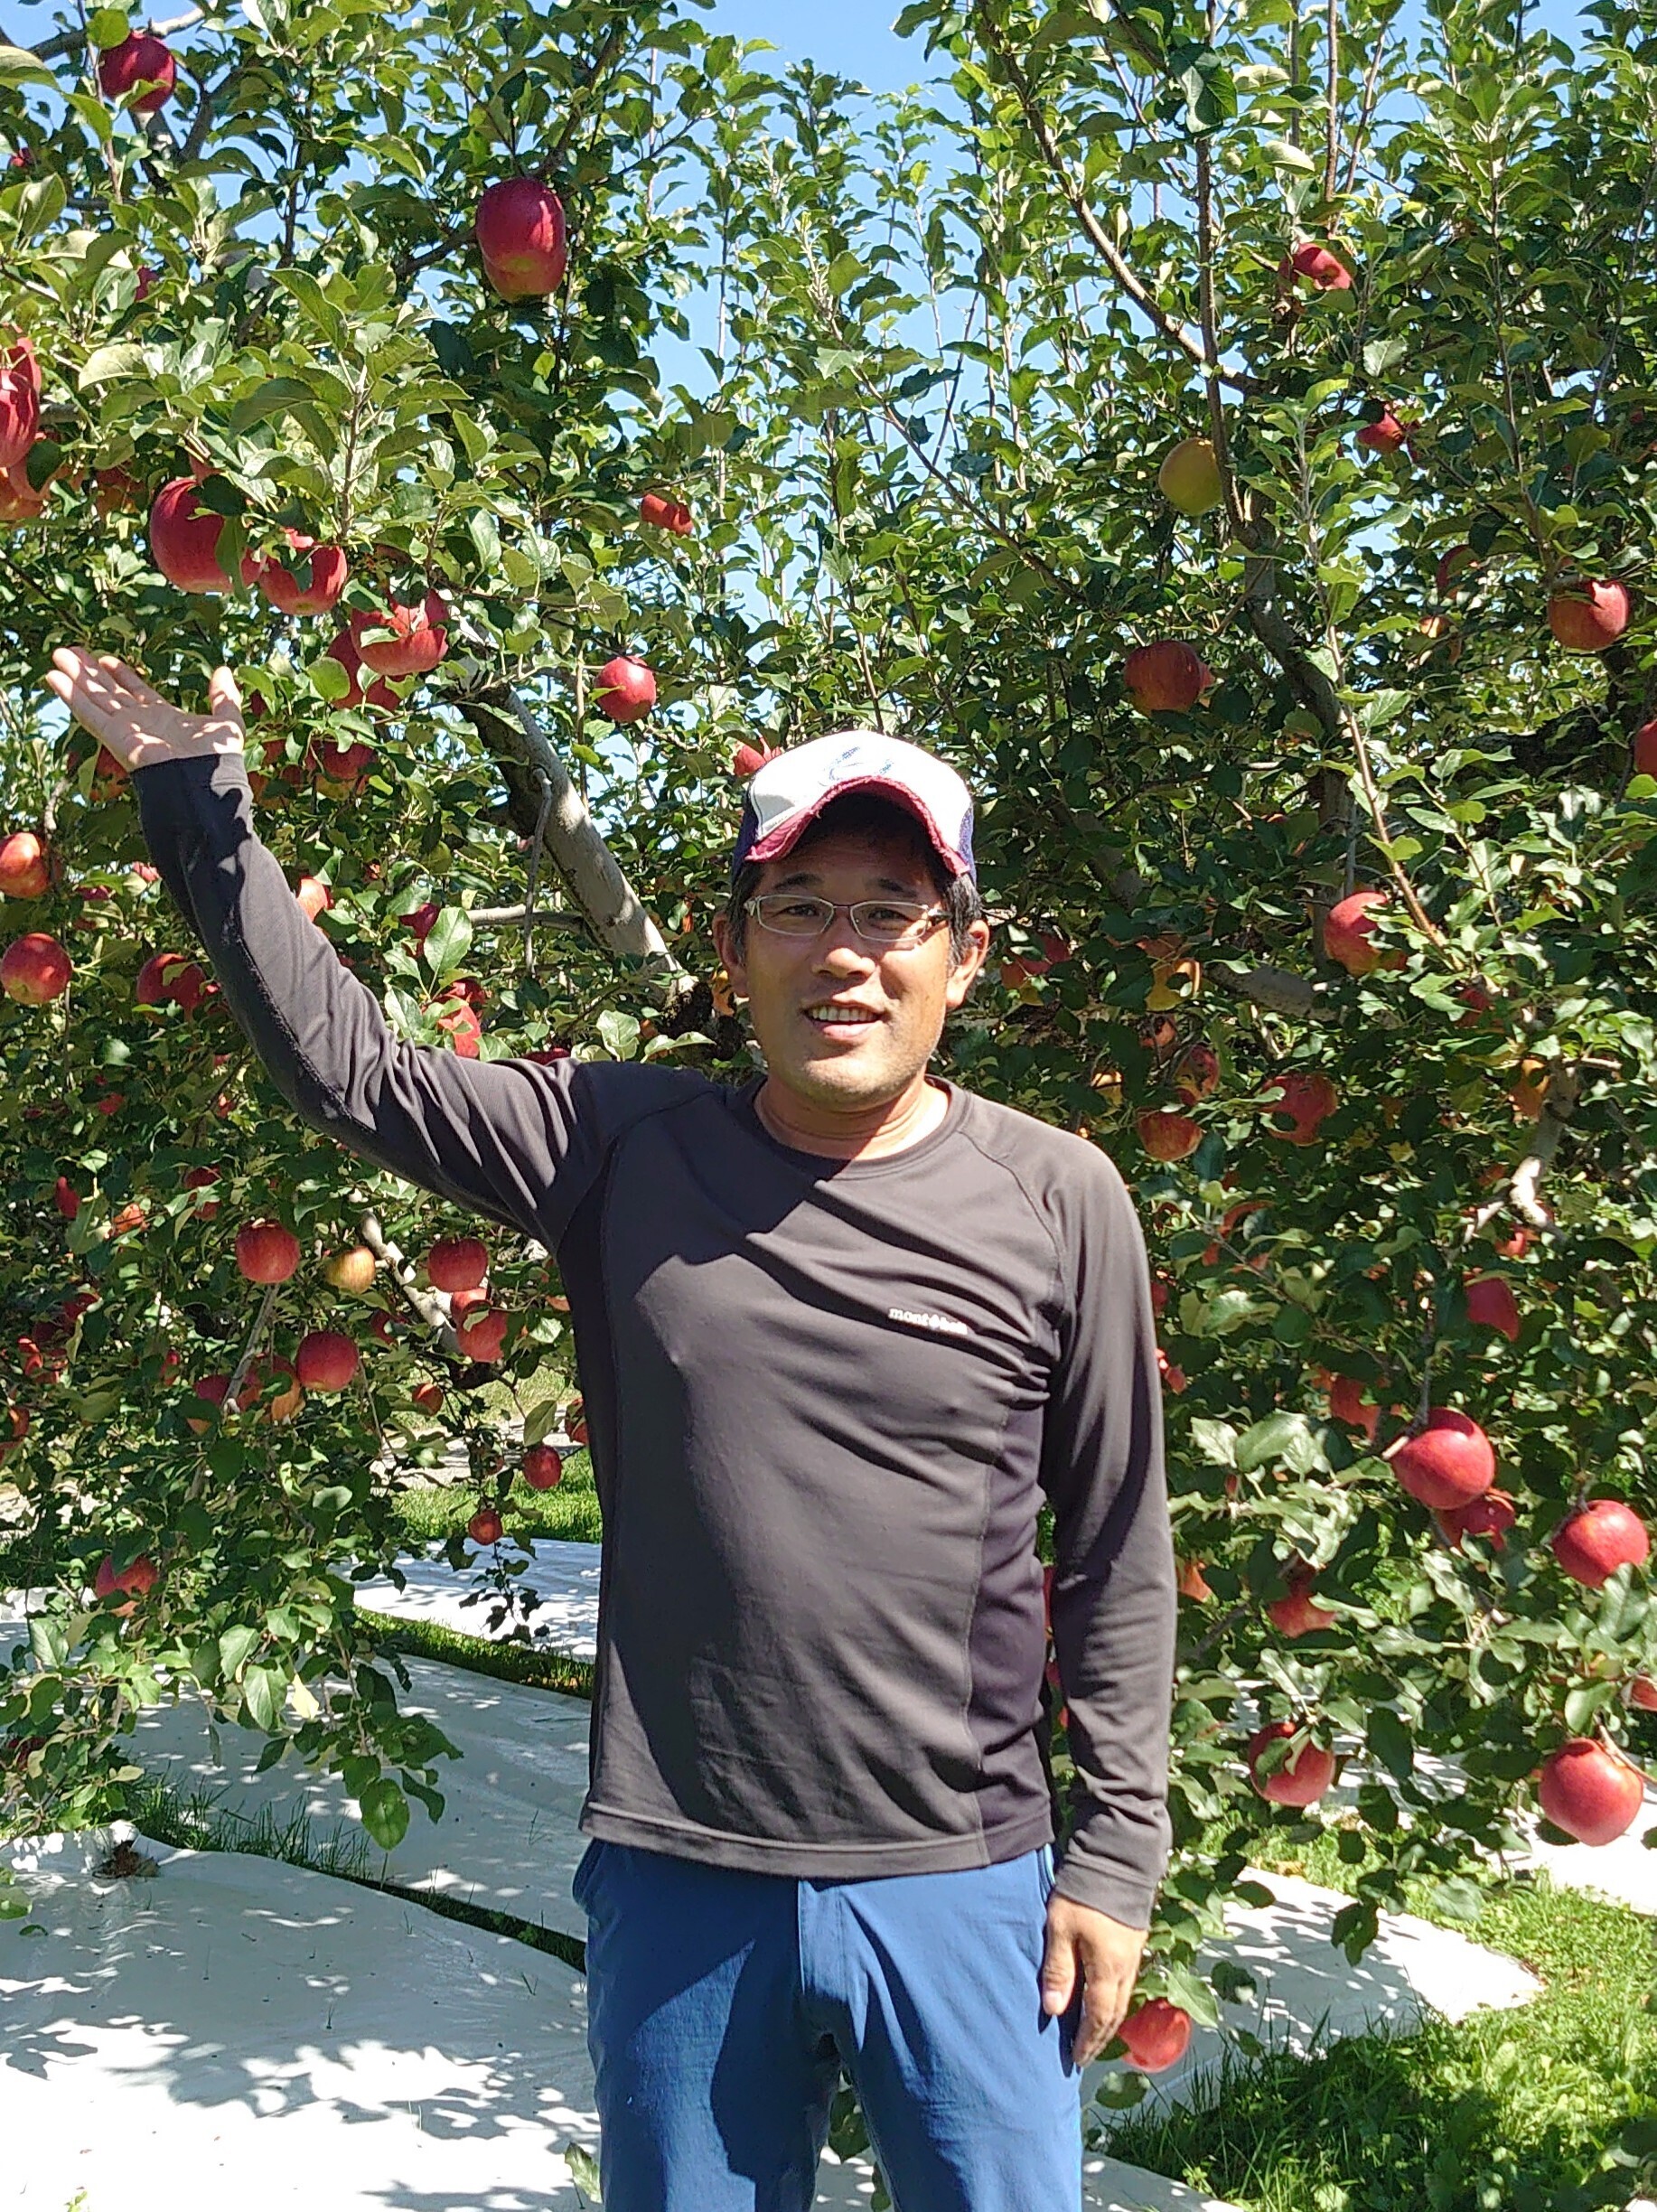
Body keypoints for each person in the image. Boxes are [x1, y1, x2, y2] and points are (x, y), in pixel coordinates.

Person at [45, 648, 1176, 2212]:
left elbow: (1116, 1545)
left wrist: (1113, 1861)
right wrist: (199, 800)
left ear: (960, 956)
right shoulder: (619, 1145)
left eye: (886, 911)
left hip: (963, 1878)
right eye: (797, 909)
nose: (840, 954)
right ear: (732, 951)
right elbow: (349, 1070)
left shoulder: (1057, 1198)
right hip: (680, 1872)